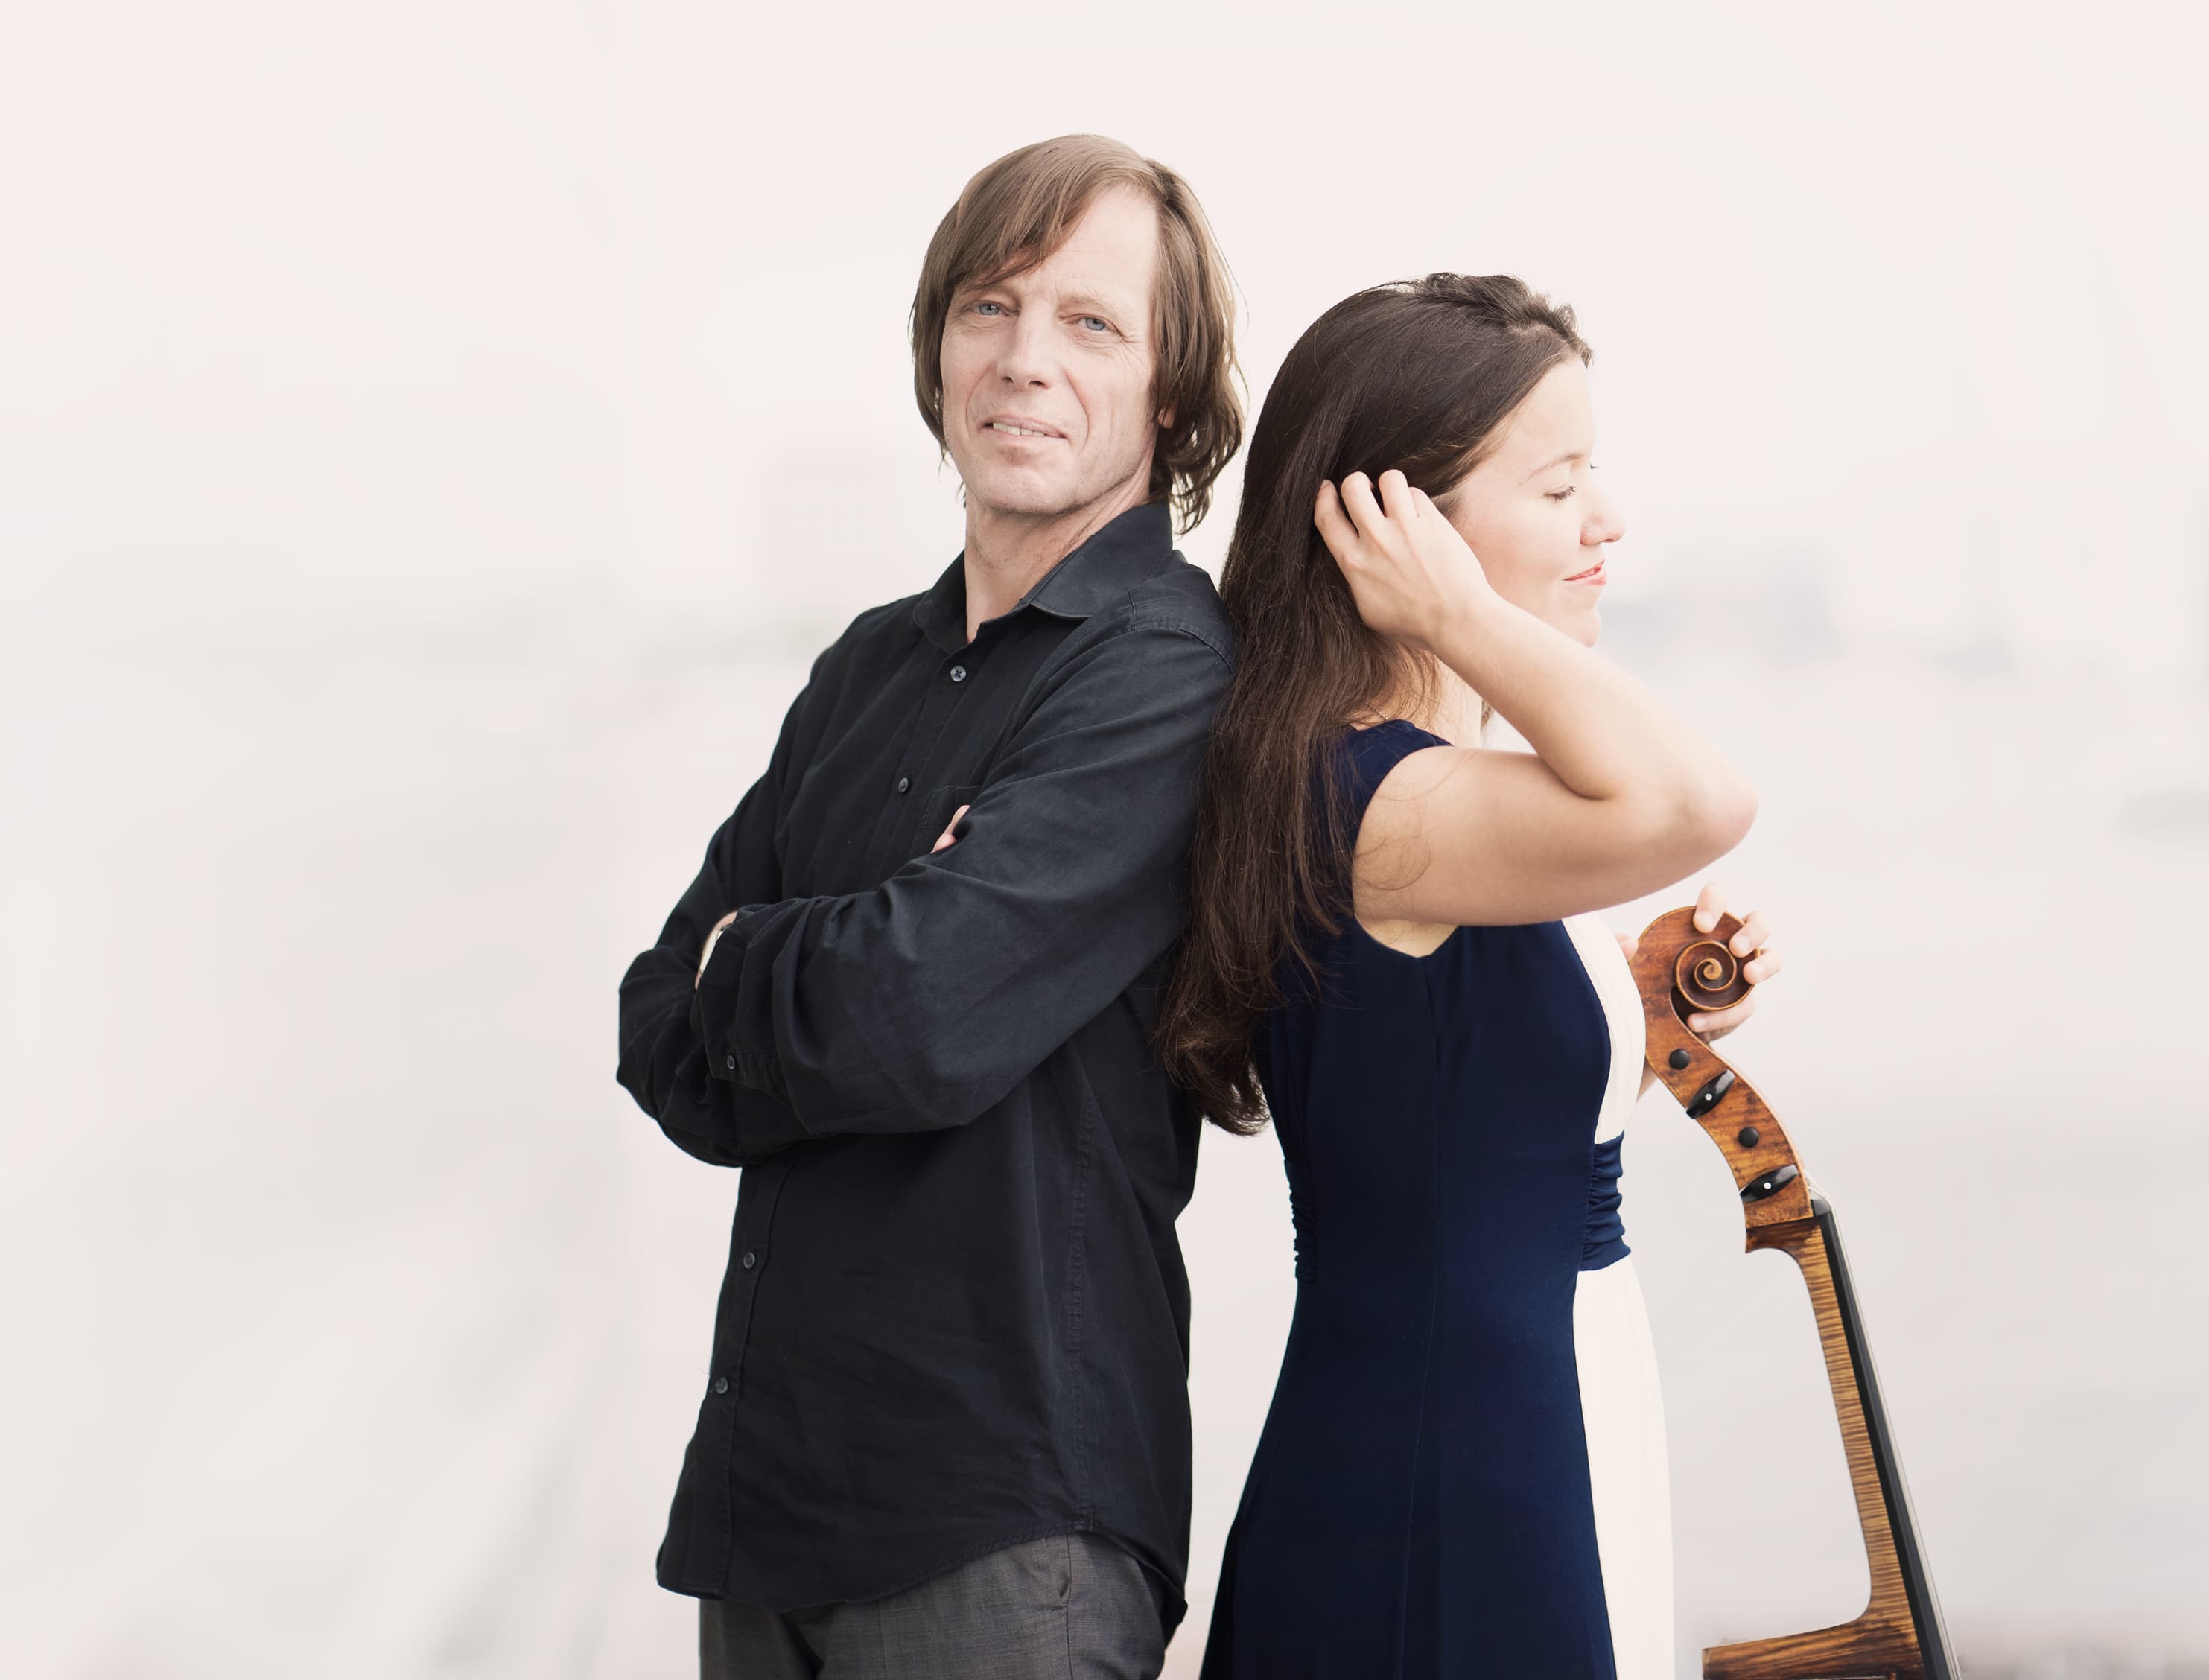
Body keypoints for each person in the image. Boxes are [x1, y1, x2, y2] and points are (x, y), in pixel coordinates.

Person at [616, 135, 1245, 1680]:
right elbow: (654, 1029)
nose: (1025, 361)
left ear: (1168, 395)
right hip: (771, 1505)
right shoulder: (867, 669)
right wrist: (851, 948)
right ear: (938, 347)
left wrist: (752, 956)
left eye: (1091, 325)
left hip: (1004, 1529)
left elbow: (916, 1018)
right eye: (990, 309)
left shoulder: (1163, 671)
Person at [1157, 273, 1783, 1677]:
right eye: (1563, 488)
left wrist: (1633, 998)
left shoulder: (1418, 798)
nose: (1607, 523)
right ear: (1404, 527)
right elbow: (1702, 801)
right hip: (1461, 1451)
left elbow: (1452, 1093)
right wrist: (1460, 618)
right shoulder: (1384, 799)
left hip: (1519, 1407)